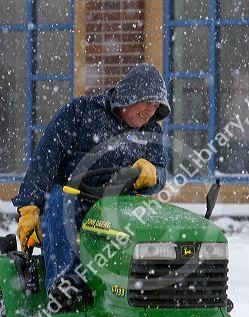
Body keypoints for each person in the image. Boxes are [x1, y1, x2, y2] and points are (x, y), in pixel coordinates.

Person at [12, 63, 170, 298]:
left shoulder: (150, 131)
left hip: (117, 208)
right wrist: (29, 207)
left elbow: (162, 173)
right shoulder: (80, 112)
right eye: (147, 103)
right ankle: (64, 283)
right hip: (74, 204)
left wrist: (154, 175)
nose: (149, 111)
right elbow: (45, 160)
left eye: (155, 106)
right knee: (59, 196)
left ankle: (153, 290)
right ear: (129, 95)